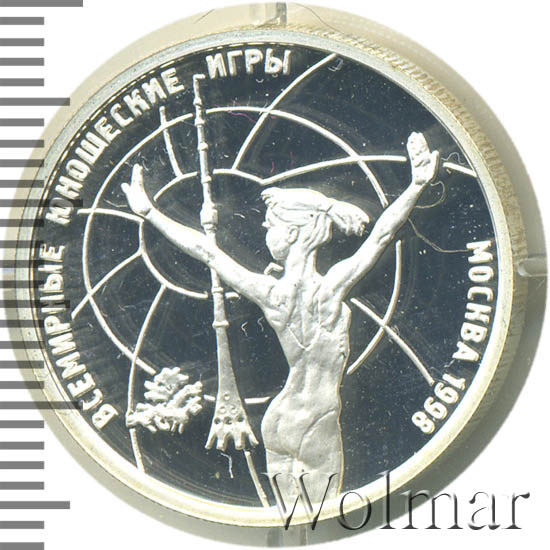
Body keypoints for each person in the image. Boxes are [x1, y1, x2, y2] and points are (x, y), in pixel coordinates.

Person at [122, 131, 439, 503]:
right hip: (317, 420)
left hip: (278, 419)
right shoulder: (331, 287)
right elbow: (382, 235)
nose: (264, 231)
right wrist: (416, 186)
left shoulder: (270, 293)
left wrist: (150, 213)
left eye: (270, 225)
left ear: (292, 233)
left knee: (291, 519)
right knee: (318, 520)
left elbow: (206, 251)